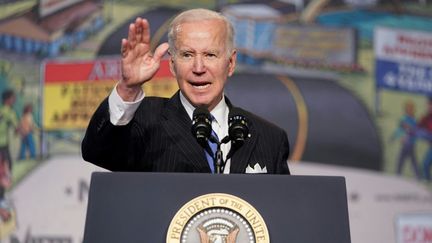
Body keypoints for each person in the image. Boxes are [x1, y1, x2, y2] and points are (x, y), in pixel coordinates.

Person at [82, 8, 290, 174]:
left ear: (231, 63)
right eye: (187, 55)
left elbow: (279, 214)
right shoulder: (145, 120)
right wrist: (128, 88)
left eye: (210, 55)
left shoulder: (269, 138)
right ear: (172, 64)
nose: (199, 68)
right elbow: (98, 151)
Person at [390, 100, 420, 179]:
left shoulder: (413, 120)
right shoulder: (405, 118)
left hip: (409, 144)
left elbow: (413, 131)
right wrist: (394, 137)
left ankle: (399, 174)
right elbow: (400, 130)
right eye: (408, 109)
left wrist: (407, 130)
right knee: (409, 160)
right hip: (407, 143)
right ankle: (415, 175)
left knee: (404, 160)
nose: (409, 110)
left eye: (410, 109)